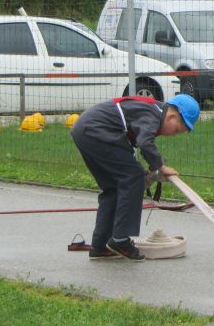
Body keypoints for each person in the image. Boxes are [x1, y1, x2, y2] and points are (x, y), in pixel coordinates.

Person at [71, 93, 200, 261]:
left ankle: (101, 246)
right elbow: (145, 142)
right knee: (133, 176)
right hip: (97, 130)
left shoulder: (150, 111)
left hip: (85, 130)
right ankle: (120, 240)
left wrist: (152, 174)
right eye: (177, 129)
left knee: (113, 188)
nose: (174, 134)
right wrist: (160, 167)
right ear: (172, 116)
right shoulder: (153, 114)